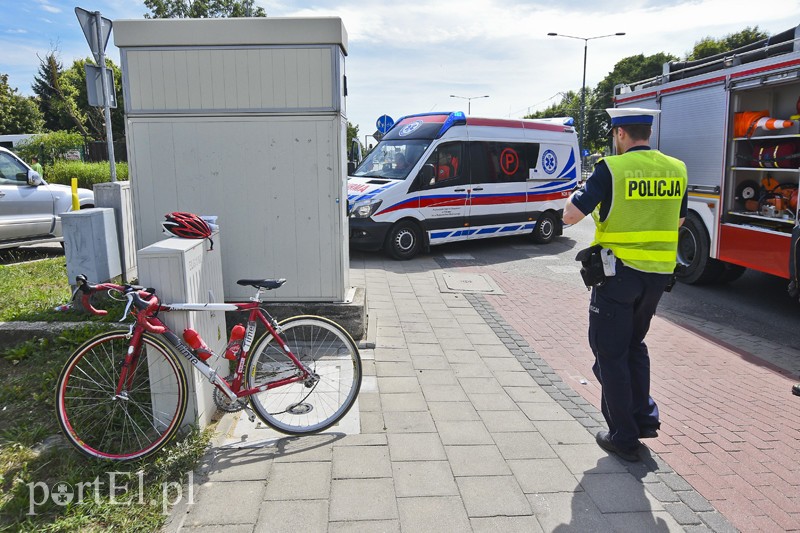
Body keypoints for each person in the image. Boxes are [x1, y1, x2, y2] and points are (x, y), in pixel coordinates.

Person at [562, 107, 688, 462]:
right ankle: (643, 418)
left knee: (609, 354)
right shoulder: (676, 169)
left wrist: (575, 195)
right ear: (646, 132)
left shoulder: (611, 169)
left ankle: (623, 437)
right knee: (635, 345)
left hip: (618, 277)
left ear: (619, 134)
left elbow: (571, 216)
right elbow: (679, 220)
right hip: (657, 277)